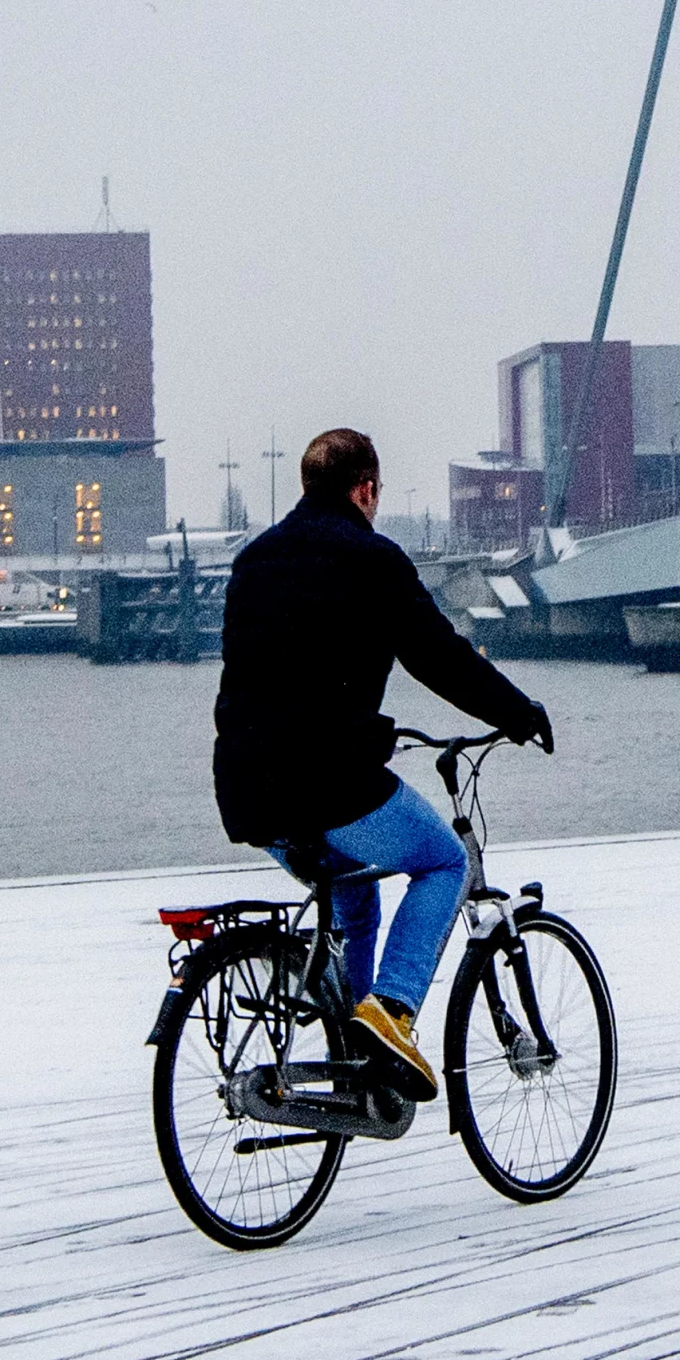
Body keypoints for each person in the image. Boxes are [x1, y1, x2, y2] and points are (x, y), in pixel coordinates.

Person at [213, 426, 551, 1099]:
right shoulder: (372, 559)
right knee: (444, 862)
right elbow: (438, 656)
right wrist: (516, 713)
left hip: (248, 792)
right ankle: (392, 1009)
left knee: (356, 895)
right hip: (328, 785)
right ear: (365, 490)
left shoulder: (254, 559)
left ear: (310, 485)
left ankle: (353, 1058)